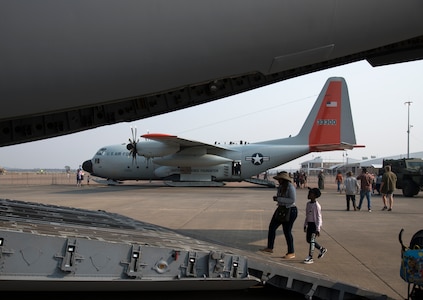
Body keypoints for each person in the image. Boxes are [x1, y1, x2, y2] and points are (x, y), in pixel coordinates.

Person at [260, 171, 298, 259]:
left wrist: (279, 199)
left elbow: (292, 200)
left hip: (290, 210)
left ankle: (291, 252)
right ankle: (270, 247)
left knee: (287, 231)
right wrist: (278, 199)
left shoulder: (290, 187)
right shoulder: (281, 187)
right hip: (281, 209)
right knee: (272, 227)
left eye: (280, 179)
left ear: (283, 179)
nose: (278, 181)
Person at [303, 187, 327, 264]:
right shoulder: (308, 204)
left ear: (315, 196)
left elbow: (319, 217)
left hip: (314, 225)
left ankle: (310, 257)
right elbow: (307, 215)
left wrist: (318, 229)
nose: (309, 195)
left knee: (312, 241)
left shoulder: (317, 206)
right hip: (309, 224)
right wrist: (305, 224)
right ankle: (321, 249)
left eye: (311, 193)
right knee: (308, 240)